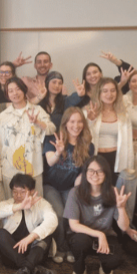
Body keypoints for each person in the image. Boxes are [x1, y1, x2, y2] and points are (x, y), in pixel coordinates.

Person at [64, 155, 131, 274]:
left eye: (100, 171)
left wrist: (121, 208)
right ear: (85, 173)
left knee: (114, 261)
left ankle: (103, 263)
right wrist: (99, 235)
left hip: (106, 235)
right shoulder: (76, 192)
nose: (95, 174)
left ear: (106, 173)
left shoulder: (113, 192)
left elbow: (124, 227)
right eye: (91, 170)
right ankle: (80, 267)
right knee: (80, 242)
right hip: (82, 235)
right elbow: (74, 225)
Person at [43, 107, 94, 264]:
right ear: (65, 123)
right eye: (72, 121)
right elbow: (50, 161)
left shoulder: (88, 145)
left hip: (70, 187)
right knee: (58, 213)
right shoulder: (53, 138)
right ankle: (61, 247)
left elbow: (84, 172)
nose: (76, 125)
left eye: (79, 122)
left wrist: (77, 189)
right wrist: (58, 152)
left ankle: (72, 247)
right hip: (50, 185)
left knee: (71, 213)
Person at [0, 173, 58, 274]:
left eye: (22, 192)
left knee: (46, 234)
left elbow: (53, 220)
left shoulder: (41, 203)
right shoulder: (8, 204)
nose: (18, 195)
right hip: (13, 256)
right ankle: (33, 269)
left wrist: (31, 237)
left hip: (35, 253)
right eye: (15, 191)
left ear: (32, 191)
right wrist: (19, 206)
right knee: (0, 234)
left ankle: (25, 270)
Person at [0, 77, 55, 198]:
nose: (15, 93)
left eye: (17, 89)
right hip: (9, 169)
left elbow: (51, 129)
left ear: (24, 90)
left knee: (35, 206)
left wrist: (37, 122)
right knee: (12, 207)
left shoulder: (37, 110)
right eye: (10, 91)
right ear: (7, 94)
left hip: (33, 168)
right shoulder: (2, 117)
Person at [84, 77, 133, 178]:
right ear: (99, 93)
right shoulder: (89, 112)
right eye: (105, 91)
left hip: (116, 158)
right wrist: (90, 120)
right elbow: (83, 136)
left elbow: (128, 143)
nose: (109, 94)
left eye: (112, 90)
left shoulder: (124, 114)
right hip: (96, 157)